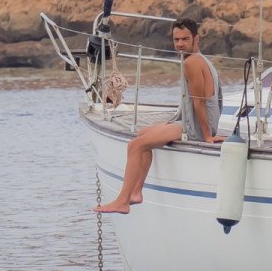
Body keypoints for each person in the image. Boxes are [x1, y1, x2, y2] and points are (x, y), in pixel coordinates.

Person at [94, 17, 223, 214]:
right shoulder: (199, 60)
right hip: (191, 121)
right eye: (176, 39)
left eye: (185, 39)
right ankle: (136, 192)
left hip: (194, 126)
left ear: (196, 39)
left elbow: (199, 102)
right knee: (143, 134)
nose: (179, 44)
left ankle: (123, 200)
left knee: (134, 145)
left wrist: (206, 136)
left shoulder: (192, 63)